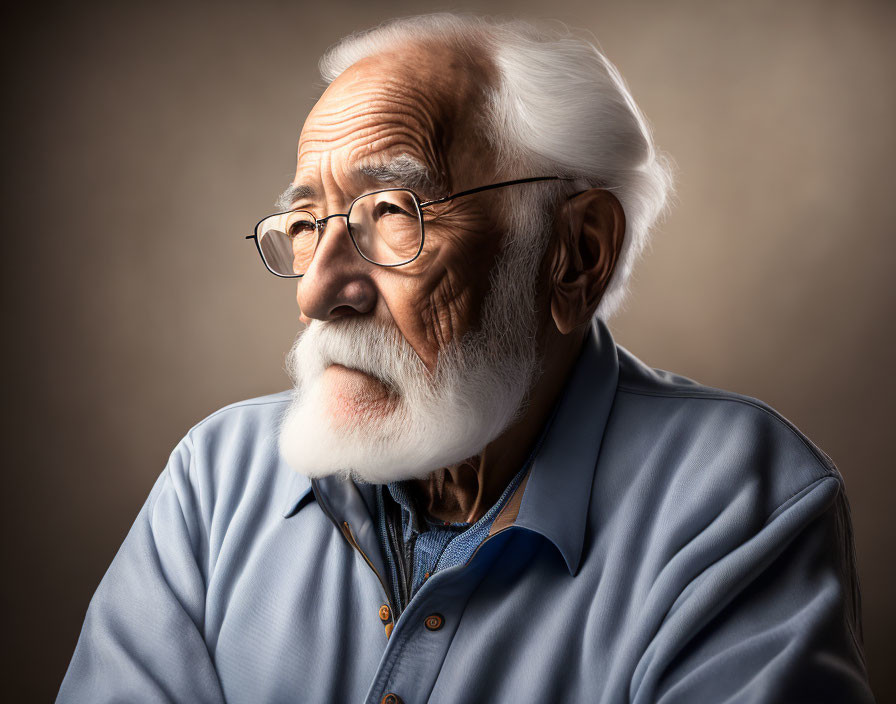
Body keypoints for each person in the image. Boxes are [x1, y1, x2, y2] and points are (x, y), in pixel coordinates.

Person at [58, 13, 874, 704]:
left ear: (574, 255)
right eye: (307, 224)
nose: (319, 294)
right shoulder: (217, 481)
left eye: (391, 212)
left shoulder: (740, 504)